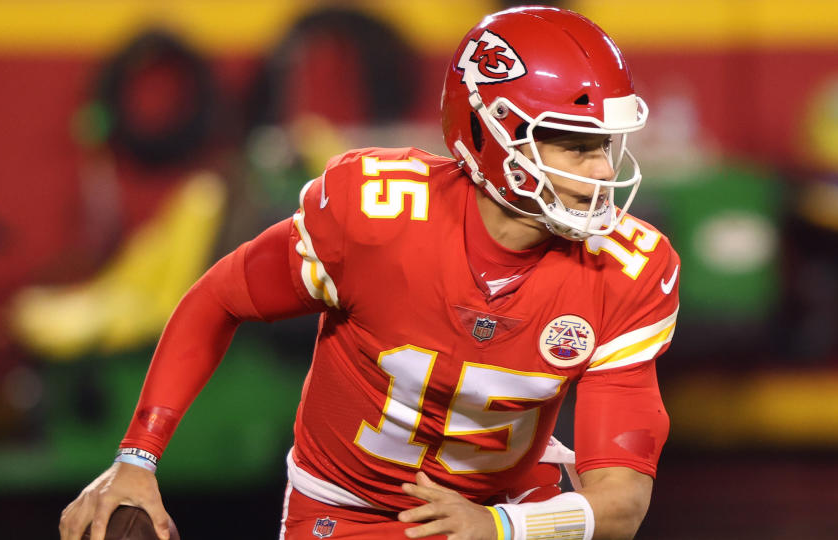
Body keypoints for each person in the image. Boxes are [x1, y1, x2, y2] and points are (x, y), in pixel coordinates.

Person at [60, 6, 679, 540]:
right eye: (576, 144)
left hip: (507, 512)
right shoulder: (377, 216)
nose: (602, 171)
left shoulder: (628, 268)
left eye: (606, 146)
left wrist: (499, 527)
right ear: (489, 132)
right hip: (352, 509)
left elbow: (621, 504)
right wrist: (137, 457)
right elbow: (219, 298)